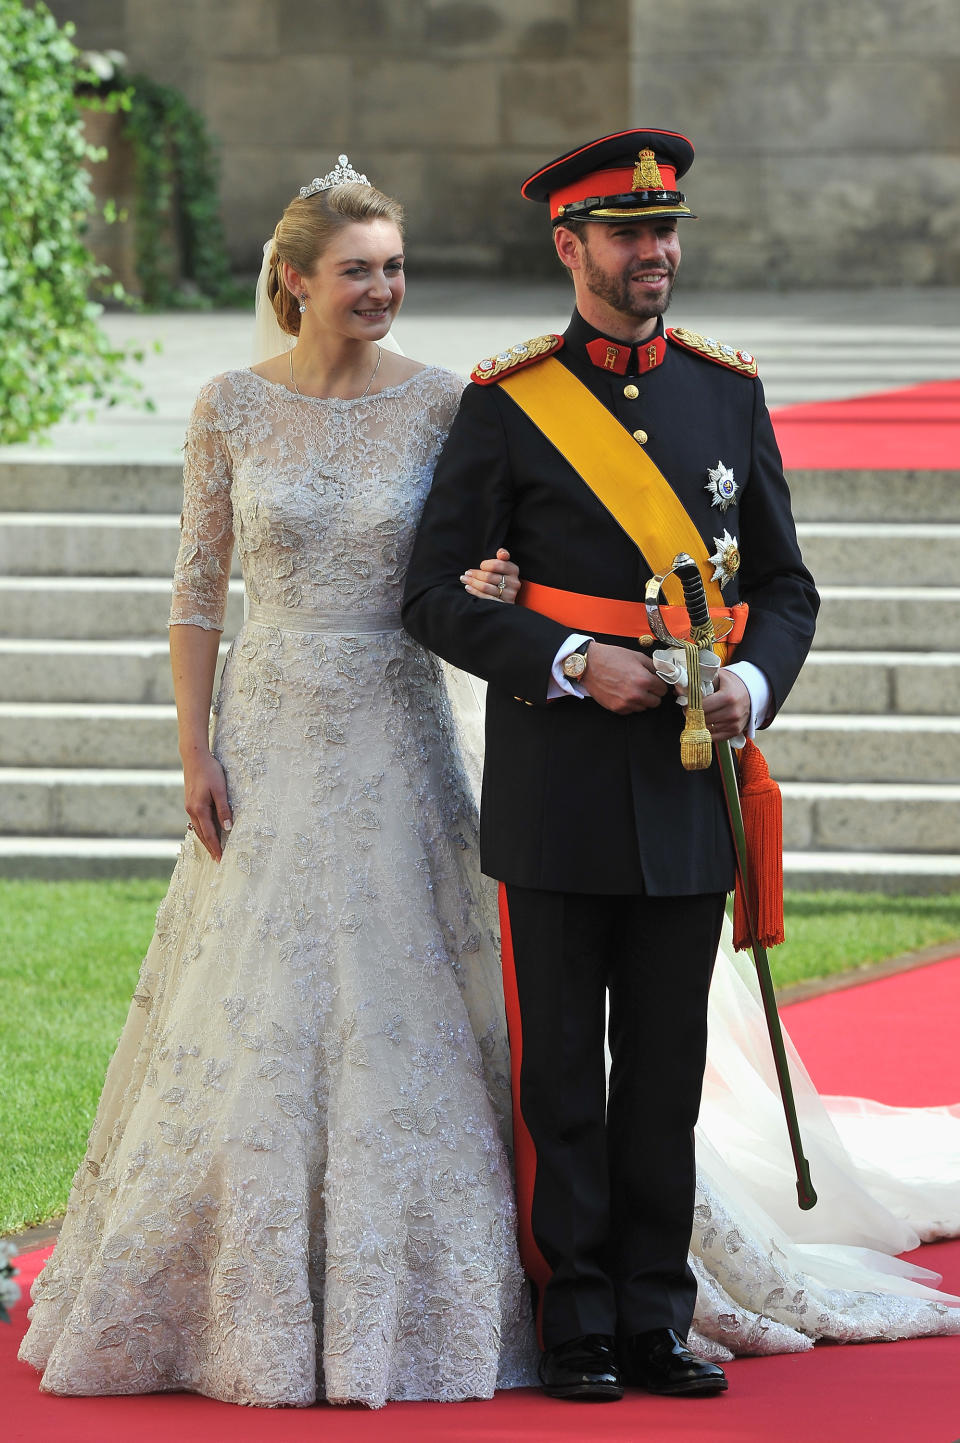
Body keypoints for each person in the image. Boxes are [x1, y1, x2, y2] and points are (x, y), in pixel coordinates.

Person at [19, 159, 538, 1408]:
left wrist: (488, 594)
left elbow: (465, 563)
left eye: (393, 268)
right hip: (266, 727)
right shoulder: (230, 407)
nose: (383, 288)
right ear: (293, 281)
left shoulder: (448, 405)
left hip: (396, 722)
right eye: (357, 269)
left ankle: (425, 1280)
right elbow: (198, 589)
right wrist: (193, 747)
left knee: (399, 982)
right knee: (248, 1000)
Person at [401, 126, 823, 1401]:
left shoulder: (726, 391)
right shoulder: (507, 400)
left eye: (668, 230)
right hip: (561, 785)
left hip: (694, 785)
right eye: (632, 234)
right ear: (570, 244)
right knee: (561, 1082)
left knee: (664, 1077)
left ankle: (655, 1314)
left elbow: (789, 587)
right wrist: (576, 656)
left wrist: (751, 683)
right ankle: (574, 1317)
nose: (659, 252)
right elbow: (432, 594)